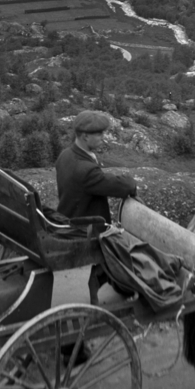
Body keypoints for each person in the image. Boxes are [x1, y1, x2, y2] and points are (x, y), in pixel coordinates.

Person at [56, 109, 137, 303]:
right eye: (99, 134)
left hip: (69, 218)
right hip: (84, 229)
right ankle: (121, 289)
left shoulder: (66, 156)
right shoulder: (85, 170)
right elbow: (123, 186)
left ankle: (104, 282)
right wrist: (131, 182)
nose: (103, 137)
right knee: (121, 246)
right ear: (84, 136)